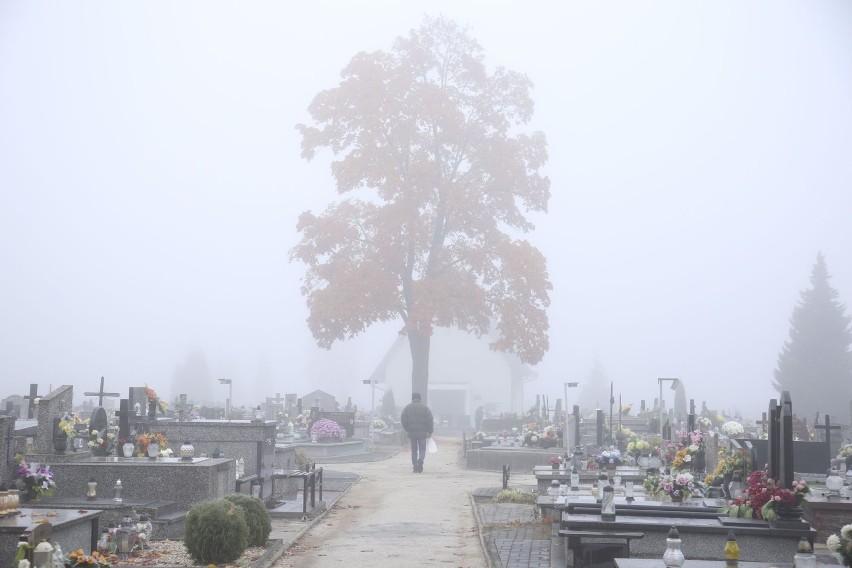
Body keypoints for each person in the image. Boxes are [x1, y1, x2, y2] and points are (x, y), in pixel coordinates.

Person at [400, 392, 434, 473]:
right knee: (422, 449)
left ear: (412, 398)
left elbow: (403, 419)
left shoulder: (407, 408)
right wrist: (430, 431)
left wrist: (407, 428)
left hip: (412, 433)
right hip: (422, 433)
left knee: (414, 450)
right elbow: (430, 420)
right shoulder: (425, 408)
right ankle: (420, 460)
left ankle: (415, 466)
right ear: (420, 399)